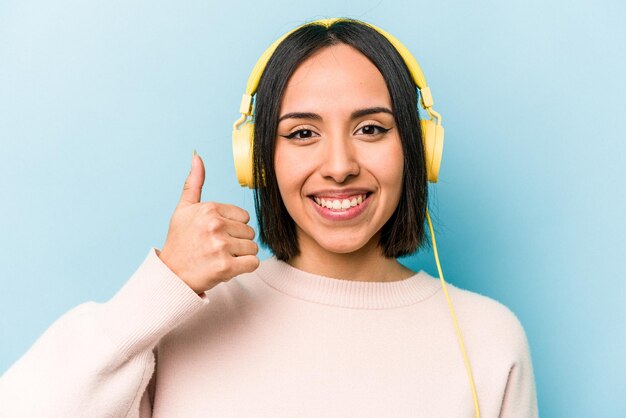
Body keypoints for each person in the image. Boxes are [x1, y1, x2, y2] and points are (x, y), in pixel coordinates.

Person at [0, 17, 538, 417]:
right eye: (303, 133)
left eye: (371, 129)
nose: (340, 166)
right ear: (258, 162)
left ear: (419, 149)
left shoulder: (488, 338)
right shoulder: (179, 320)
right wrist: (163, 284)